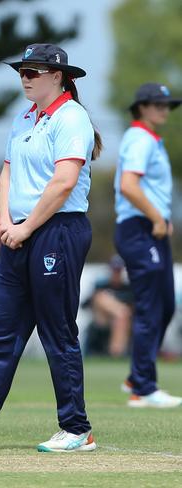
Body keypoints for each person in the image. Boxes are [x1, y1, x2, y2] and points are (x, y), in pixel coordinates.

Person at [0, 44, 102, 452]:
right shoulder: (25, 117)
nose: (25, 77)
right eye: (22, 71)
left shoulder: (72, 117)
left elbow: (63, 183)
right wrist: (8, 223)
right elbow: (6, 173)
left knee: (56, 331)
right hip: (19, 232)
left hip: (56, 231)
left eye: (34, 71)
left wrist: (26, 227)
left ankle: (77, 429)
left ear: (57, 76)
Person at [113, 82, 182, 408]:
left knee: (165, 304)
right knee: (151, 306)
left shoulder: (150, 139)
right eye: (157, 104)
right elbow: (129, 186)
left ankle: (137, 376)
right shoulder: (140, 138)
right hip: (139, 228)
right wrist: (156, 217)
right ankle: (143, 387)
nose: (163, 109)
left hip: (150, 228)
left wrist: (160, 218)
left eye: (167, 105)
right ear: (141, 107)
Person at [83, 255, 133, 357]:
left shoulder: (127, 289)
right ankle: (116, 353)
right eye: (114, 270)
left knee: (121, 317)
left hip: (121, 321)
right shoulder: (101, 286)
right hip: (101, 318)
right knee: (101, 297)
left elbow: (134, 308)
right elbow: (85, 304)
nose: (116, 273)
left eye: (118, 270)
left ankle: (116, 352)